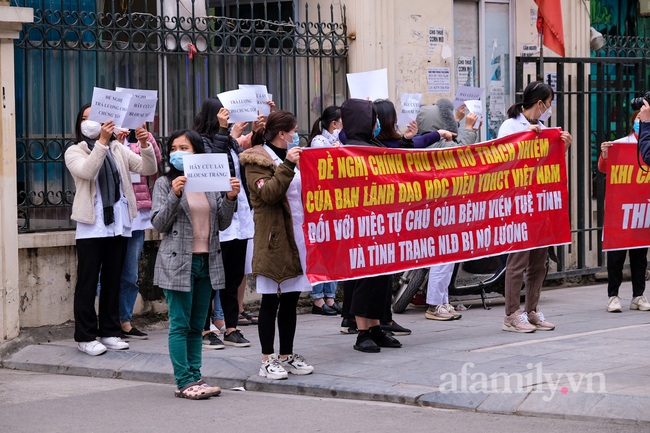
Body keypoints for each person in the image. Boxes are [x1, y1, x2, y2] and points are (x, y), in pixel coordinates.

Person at [151, 129, 239, 399]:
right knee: (180, 323)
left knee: (197, 323)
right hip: (178, 261)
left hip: (207, 261)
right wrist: (175, 196)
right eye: (174, 148)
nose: (179, 153)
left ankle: (195, 375)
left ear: (197, 152)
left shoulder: (209, 182)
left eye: (185, 147)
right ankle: (183, 381)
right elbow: (158, 223)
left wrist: (230, 198)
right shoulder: (165, 183)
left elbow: (222, 223)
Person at [64, 104, 158, 356]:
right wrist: (103, 142)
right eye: (85, 119)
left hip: (118, 224)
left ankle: (109, 330)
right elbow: (87, 171)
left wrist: (145, 142)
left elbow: (148, 168)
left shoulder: (118, 149)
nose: (90, 123)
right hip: (92, 226)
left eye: (94, 118)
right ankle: (85, 336)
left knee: (112, 280)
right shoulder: (75, 150)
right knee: (87, 281)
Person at [239, 110, 315, 380]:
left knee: (292, 298)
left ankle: (287, 354)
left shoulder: (290, 157)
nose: (296, 135)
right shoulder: (256, 160)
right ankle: (267, 358)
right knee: (271, 299)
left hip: (296, 236)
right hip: (272, 238)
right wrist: (288, 165)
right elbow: (269, 193)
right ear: (282, 133)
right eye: (293, 131)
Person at [497, 81, 572, 333]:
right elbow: (500, 158)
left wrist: (563, 145)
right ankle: (511, 313)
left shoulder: (543, 128)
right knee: (518, 260)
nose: (549, 108)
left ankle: (531, 310)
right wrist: (524, 138)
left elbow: (549, 166)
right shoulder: (511, 126)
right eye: (549, 103)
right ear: (539, 103)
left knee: (539, 261)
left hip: (540, 202)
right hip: (518, 201)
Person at [339, 98, 403, 352]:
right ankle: (362, 331)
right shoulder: (348, 149)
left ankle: (376, 327)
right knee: (366, 279)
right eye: (372, 118)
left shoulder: (372, 145)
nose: (377, 123)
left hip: (382, 221)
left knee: (382, 278)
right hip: (361, 225)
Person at [193, 97, 254, 349]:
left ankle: (231, 326)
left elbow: (241, 164)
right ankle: (204, 328)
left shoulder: (229, 141)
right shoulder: (200, 141)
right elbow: (213, 167)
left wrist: (258, 130)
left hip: (239, 215)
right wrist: (221, 129)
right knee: (209, 277)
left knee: (233, 275)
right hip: (218, 218)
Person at [415, 99, 480, 321]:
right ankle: (434, 304)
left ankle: (442, 301)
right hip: (442, 209)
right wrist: (469, 130)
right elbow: (463, 152)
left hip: (439, 209)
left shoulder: (426, 143)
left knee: (446, 257)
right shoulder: (439, 147)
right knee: (443, 258)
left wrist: (457, 124)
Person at [598, 110, 650, 312]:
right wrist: (604, 154)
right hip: (619, 210)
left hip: (641, 208)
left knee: (640, 254)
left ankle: (638, 295)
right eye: (638, 118)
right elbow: (604, 168)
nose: (641, 121)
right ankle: (613, 296)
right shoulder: (621, 143)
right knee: (616, 256)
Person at [119, 125, 162, 340]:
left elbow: (155, 163)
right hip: (114, 216)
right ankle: (107, 319)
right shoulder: (106, 141)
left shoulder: (138, 142)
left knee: (130, 274)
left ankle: (125, 321)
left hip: (136, 216)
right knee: (106, 274)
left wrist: (147, 139)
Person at [306, 106, 343, 316]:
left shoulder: (340, 139)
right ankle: (318, 299)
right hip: (322, 202)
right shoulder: (319, 141)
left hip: (336, 202)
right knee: (320, 250)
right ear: (334, 123)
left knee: (334, 251)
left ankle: (331, 296)